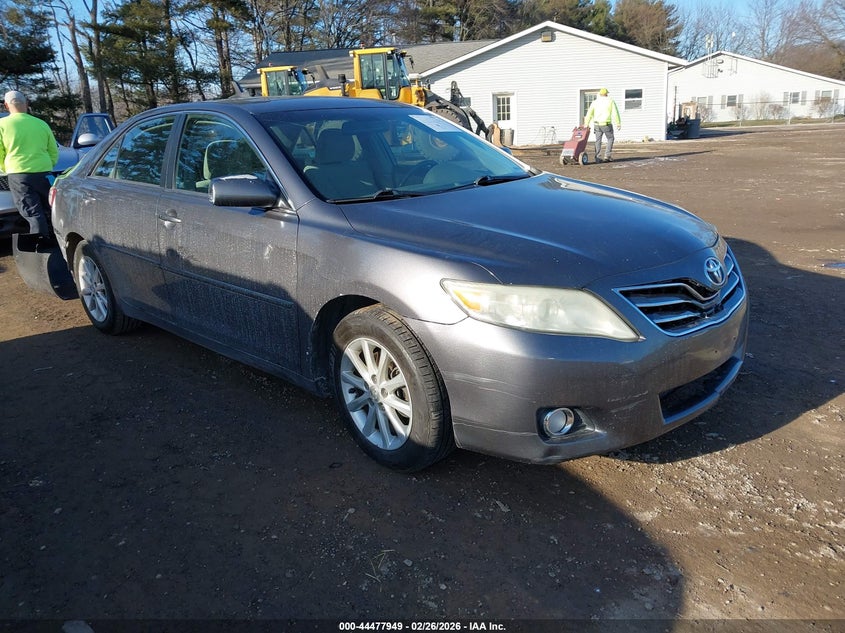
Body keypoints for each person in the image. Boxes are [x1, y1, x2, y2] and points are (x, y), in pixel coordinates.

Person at [0, 90, 59, 238]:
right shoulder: (41, 124)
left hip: (19, 174)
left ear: (6, 106)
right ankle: (58, 241)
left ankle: (42, 245)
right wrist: (47, 165)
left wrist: (5, 167)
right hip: (45, 173)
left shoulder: (2, 125)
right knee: (50, 209)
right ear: (27, 104)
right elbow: (53, 151)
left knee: (33, 212)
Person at [584, 87, 621, 163]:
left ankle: (597, 157)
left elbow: (589, 113)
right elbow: (615, 113)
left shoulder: (594, 102)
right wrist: (618, 123)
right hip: (606, 124)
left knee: (598, 141)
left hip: (597, 124)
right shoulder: (610, 101)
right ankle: (607, 155)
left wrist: (586, 123)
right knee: (610, 139)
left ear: (600, 94)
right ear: (606, 94)